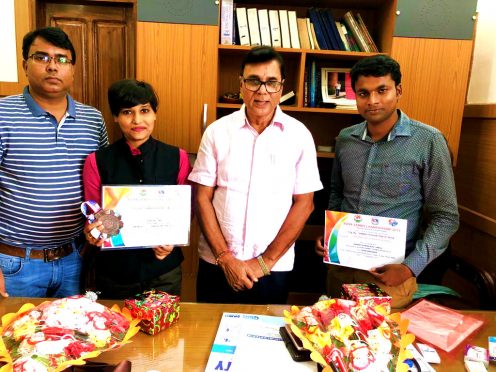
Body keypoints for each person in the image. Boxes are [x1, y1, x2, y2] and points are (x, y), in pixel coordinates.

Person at [315, 55, 459, 307]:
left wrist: (409, 268)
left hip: (390, 279)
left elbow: (446, 217)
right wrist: (330, 235)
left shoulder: (428, 141)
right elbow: (338, 193)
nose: (372, 101)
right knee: (332, 340)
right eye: (363, 93)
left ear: (398, 90)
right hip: (341, 272)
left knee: (381, 344)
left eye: (382, 90)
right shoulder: (345, 140)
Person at [189, 46, 323, 304]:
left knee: (264, 339)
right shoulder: (217, 132)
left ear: (281, 88)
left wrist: (265, 262)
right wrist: (226, 258)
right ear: (241, 85)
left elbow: (305, 204)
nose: (262, 91)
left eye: (271, 82)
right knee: (207, 340)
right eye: (253, 81)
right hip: (217, 264)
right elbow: (202, 197)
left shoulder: (299, 135)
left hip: (273, 268)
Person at [0, 27, 108, 298]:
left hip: (74, 259)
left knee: (72, 336)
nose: (52, 66)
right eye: (41, 57)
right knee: (16, 337)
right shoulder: (3, 114)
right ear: (25, 64)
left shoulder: (93, 120)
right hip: (15, 264)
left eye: (61, 59)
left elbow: (105, 185)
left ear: (72, 69)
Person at [82, 79, 191, 299]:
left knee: (165, 331)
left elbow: (184, 213)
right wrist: (93, 231)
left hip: (164, 271)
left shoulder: (177, 157)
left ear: (155, 114)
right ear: (115, 117)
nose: (137, 120)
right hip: (116, 273)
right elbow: (93, 216)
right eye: (127, 112)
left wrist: (172, 241)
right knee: (117, 331)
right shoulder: (97, 161)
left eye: (144, 110)